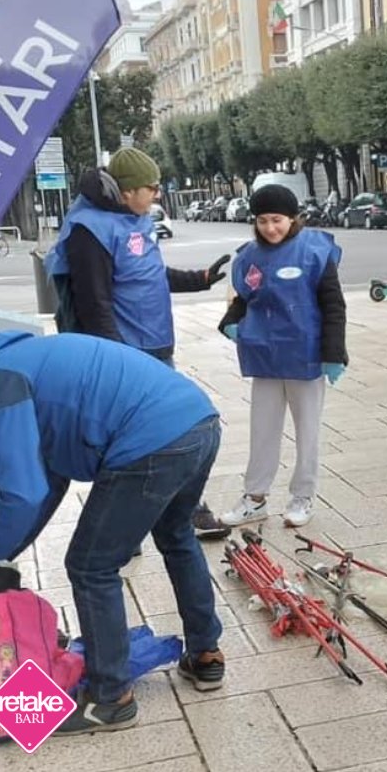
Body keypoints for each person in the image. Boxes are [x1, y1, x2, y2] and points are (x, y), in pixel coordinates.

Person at [0, 331, 226, 733]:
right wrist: (1, 550)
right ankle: (206, 654)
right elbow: (48, 480)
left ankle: (111, 698)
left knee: (91, 566)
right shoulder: (6, 362)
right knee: (177, 536)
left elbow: (24, 493)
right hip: (196, 419)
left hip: (150, 438)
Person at [45, 148, 231, 540]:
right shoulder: (89, 229)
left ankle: (164, 518)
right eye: (151, 187)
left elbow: (147, 274)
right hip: (127, 354)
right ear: (126, 191)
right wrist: (117, 362)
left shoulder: (136, 218)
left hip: (157, 346)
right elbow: (93, 302)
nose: (157, 194)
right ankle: (172, 517)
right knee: (153, 435)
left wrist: (199, 278)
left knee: (169, 431)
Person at [218, 185, 347, 528]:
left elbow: (333, 306)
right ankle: (255, 497)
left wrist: (334, 353)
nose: (270, 228)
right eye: (262, 221)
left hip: (306, 357)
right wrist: (230, 322)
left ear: (293, 218)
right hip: (265, 356)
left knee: (308, 432)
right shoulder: (249, 258)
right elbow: (245, 299)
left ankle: (303, 496)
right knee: (262, 430)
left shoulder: (314, 252)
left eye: (277, 220)